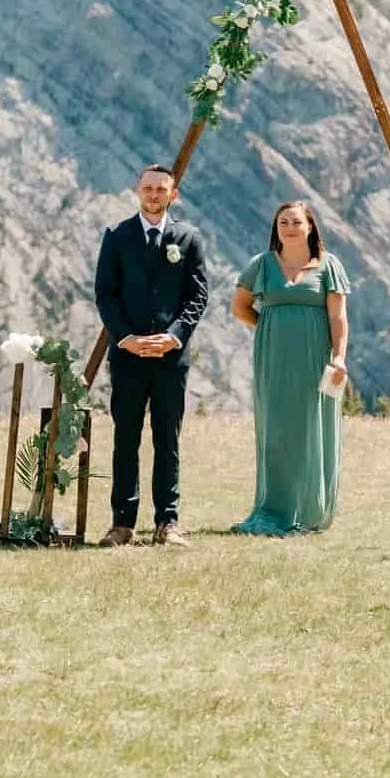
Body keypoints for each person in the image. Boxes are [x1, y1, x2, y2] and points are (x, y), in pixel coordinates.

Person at [92, 164, 210, 546]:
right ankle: (122, 524)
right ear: (137, 191)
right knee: (126, 438)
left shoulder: (188, 238)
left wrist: (174, 337)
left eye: (161, 189)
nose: (154, 194)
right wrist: (125, 338)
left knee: (167, 440)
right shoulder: (117, 236)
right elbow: (105, 294)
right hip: (128, 357)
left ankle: (167, 523)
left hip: (170, 359)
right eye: (148, 188)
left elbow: (198, 296)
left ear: (173, 194)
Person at [230, 200, 349, 535]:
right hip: (273, 359)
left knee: (311, 427)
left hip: (316, 359)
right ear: (276, 228)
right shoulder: (261, 264)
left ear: (310, 227)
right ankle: (274, 508)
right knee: (276, 429)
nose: (290, 228)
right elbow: (239, 307)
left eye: (296, 222)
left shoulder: (328, 265)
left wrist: (339, 357)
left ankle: (309, 510)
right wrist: (270, 327)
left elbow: (338, 317)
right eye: (283, 222)